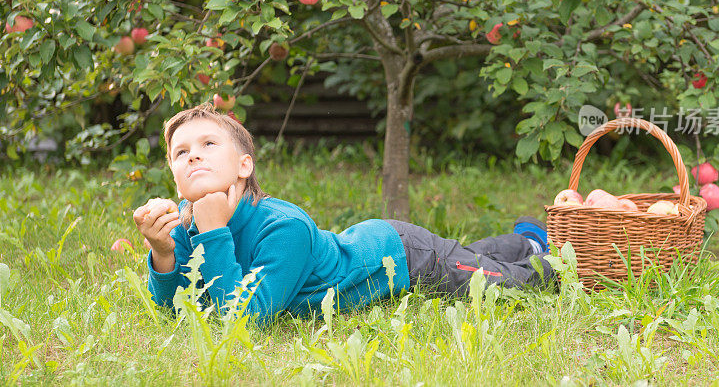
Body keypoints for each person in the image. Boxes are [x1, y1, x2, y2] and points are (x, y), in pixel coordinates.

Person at [133, 103, 554, 326]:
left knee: (507, 284)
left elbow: (241, 321)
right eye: (180, 153)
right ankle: (526, 239)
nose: (194, 157)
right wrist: (164, 255)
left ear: (245, 165)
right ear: (173, 177)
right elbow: (182, 309)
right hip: (378, 251)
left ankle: (557, 259)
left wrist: (215, 233)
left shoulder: (284, 227)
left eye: (208, 144)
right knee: (468, 256)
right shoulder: (187, 226)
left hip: (400, 256)